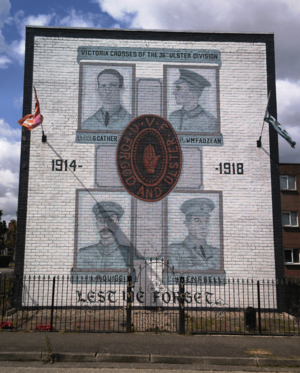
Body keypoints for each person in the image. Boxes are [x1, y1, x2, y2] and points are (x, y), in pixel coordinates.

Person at [168, 198, 220, 271]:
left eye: (206, 221)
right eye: (197, 221)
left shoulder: (217, 253)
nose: (203, 226)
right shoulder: (175, 251)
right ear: (187, 223)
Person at [76, 201, 131, 269]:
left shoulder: (128, 254)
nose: (105, 226)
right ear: (96, 224)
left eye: (111, 221)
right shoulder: (83, 254)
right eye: (101, 221)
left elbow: (130, 278)